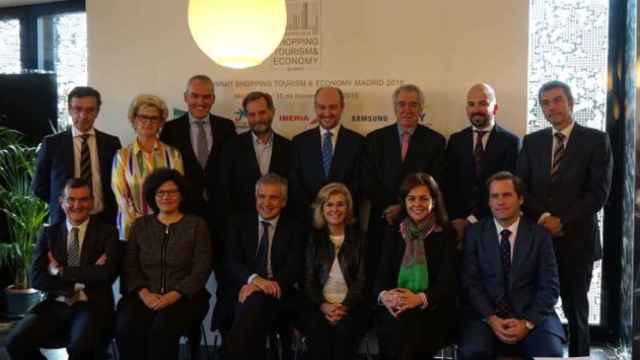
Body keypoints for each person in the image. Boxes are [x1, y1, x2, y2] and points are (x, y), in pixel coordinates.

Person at [516, 80, 613, 356]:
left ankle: (579, 354)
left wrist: (562, 221)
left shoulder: (596, 140)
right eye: (545, 103)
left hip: (577, 239)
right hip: (538, 236)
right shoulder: (532, 142)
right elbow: (521, 187)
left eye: (557, 100)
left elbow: (598, 194)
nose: (551, 107)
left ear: (571, 102)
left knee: (576, 307)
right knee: (533, 303)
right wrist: (545, 216)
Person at [7, 178, 121, 360]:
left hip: (91, 305)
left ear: (92, 202)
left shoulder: (108, 233)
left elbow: (106, 275)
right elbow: (37, 277)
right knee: (15, 342)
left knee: (79, 348)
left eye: (84, 199)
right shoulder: (48, 233)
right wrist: (79, 281)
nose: (77, 205)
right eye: (71, 199)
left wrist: (60, 271)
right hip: (56, 304)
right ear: (62, 202)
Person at [459, 171, 565, 359]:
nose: (500, 201)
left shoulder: (540, 235)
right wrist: (491, 318)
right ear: (489, 202)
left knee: (551, 354)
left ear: (520, 199)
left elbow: (550, 287)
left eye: (507, 195)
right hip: (486, 317)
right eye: (495, 196)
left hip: (533, 317)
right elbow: (470, 283)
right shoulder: (474, 234)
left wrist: (527, 323)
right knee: (472, 353)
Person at [115, 169, 212, 360]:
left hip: (184, 297)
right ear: (153, 196)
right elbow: (130, 266)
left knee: (162, 330)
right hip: (143, 295)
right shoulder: (140, 226)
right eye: (161, 192)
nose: (166, 197)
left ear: (181, 195)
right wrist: (145, 294)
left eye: (172, 192)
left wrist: (171, 296)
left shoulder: (196, 225)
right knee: (125, 327)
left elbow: (202, 268)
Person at [363, 84, 446, 293]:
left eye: (413, 104)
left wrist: (402, 208)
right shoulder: (374, 139)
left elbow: (433, 184)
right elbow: (368, 181)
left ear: (421, 109)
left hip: (420, 226)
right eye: (401, 104)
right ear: (394, 107)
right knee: (381, 278)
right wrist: (390, 209)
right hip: (382, 222)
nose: (407, 110)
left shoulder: (436, 141)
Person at [219, 174, 305, 360]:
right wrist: (255, 281)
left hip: (280, 293)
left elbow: (294, 267)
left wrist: (265, 286)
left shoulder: (295, 228)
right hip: (242, 289)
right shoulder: (237, 223)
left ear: (283, 201)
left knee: (253, 306)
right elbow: (231, 261)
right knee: (253, 305)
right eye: (262, 196)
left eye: (273, 197)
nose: (266, 202)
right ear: (255, 198)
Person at [374, 172, 457, 360]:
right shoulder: (394, 230)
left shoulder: (445, 233)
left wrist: (418, 299)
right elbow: (381, 275)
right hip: (394, 306)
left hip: (432, 308)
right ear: (404, 201)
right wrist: (385, 296)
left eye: (423, 198)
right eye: (411, 198)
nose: (417, 204)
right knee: (396, 328)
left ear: (434, 201)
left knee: (409, 332)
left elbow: (447, 283)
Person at [33, 86, 121, 225]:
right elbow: (39, 186)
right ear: (69, 110)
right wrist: (69, 205)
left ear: (97, 112)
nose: (83, 115)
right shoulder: (52, 144)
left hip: (104, 221)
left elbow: (118, 183)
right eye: (77, 109)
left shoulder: (111, 143)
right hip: (64, 222)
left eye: (90, 110)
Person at [445, 83, 520, 241]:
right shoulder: (456, 141)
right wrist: (457, 219)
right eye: (471, 104)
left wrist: (472, 219)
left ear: (495, 108)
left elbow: (506, 189)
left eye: (483, 103)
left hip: (493, 224)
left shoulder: (511, 142)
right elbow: (449, 184)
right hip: (456, 226)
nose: (476, 109)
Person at [159, 74, 236, 225]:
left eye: (206, 97)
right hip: (183, 210)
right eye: (195, 96)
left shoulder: (226, 127)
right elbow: (165, 172)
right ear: (185, 97)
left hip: (221, 210)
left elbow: (233, 167)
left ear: (213, 99)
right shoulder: (170, 129)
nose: (200, 102)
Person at [304, 183, 367, 360]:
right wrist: (323, 306)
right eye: (329, 204)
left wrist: (343, 307)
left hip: (351, 306)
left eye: (340, 204)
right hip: (319, 305)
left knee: (344, 336)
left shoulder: (359, 238)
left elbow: (361, 281)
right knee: (319, 336)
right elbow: (309, 281)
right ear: (322, 209)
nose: (335, 209)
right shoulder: (313, 238)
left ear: (348, 208)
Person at [289, 87, 366, 225]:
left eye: (333, 107)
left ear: (342, 107)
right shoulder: (299, 142)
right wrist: (317, 212)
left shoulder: (358, 142)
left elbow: (360, 183)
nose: (327, 113)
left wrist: (338, 210)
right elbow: (296, 184)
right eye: (322, 107)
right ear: (315, 107)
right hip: (308, 223)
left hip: (345, 223)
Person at [111, 94, 184, 240]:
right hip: (132, 230)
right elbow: (121, 196)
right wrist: (141, 224)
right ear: (134, 120)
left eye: (154, 118)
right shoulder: (122, 156)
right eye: (143, 117)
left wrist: (159, 223)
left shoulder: (174, 154)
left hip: (167, 229)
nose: (148, 122)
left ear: (160, 122)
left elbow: (176, 193)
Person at [216, 91, 291, 218]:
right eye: (252, 114)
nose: (257, 119)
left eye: (262, 113)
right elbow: (224, 192)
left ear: (272, 112)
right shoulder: (231, 148)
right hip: (242, 224)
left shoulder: (289, 147)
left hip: (280, 225)